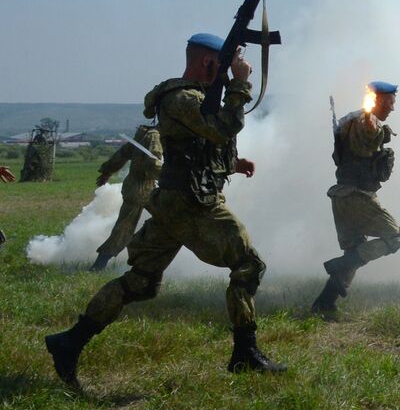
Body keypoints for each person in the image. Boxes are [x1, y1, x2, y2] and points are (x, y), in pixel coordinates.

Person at [45, 33, 283, 390]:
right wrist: (241, 84)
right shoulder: (181, 98)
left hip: (179, 201)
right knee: (249, 265)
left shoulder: (195, 98)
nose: (232, 65)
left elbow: (200, 147)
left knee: (142, 282)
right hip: (192, 203)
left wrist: (232, 163)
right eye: (226, 60)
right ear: (208, 63)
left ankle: (69, 341)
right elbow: (222, 128)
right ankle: (244, 353)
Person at [309, 81, 400, 320]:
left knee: (355, 250)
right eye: (391, 102)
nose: (393, 108)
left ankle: (324, 303)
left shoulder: (354, 120)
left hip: (341, 197)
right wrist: (374, 128)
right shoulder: (365, 122)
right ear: (380, 100)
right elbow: (367, 143)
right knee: (395, 238)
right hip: (357, 197)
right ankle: (342, 263)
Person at [91, 125, 163, 271]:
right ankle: (99, 265)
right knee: (124, 228)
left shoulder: (145, 135)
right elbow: (153, 163)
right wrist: (170, 177)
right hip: (142, 189)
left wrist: (107, 171)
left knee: (166, 222)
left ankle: (148, 257)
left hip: (143, 188)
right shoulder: (154, 137)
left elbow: (123, 153)